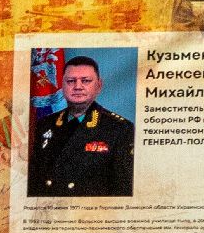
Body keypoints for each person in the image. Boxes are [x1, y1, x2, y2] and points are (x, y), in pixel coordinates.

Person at [26, 55, 134, 198]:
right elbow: (34, 181)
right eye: (71, 81)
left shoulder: (119, 129)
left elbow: (122, 190)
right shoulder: (45, 124)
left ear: (99, 86)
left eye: (86, 81)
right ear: (62, 86)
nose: (77, 86)